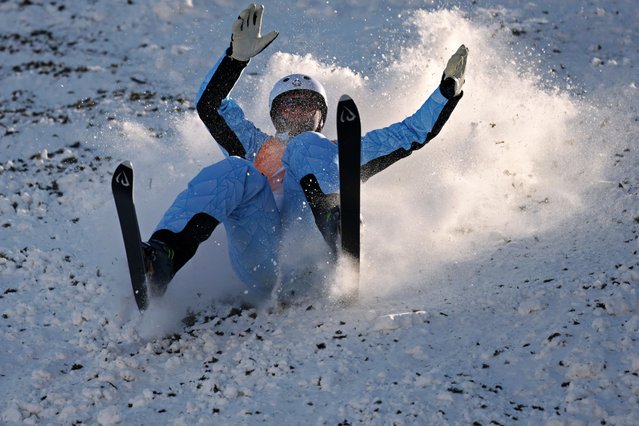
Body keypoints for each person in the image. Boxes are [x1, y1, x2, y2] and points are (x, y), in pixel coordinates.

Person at [142, 3, 468, 299]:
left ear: (321, 116)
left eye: (307, 107)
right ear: (275, 114)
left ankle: (338, 228)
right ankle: (161, 258)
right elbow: (210, 106)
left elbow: (410, 133)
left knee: (305, 147)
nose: (297, 114)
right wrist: (234, 60)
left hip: (315, 254)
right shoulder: (255, 146)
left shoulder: (337, 152)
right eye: (289, 107)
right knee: (235, 168)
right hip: (262, 256)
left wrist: (446, 93)